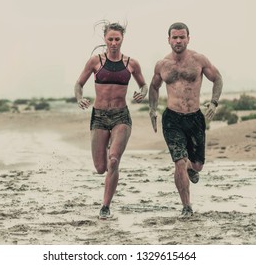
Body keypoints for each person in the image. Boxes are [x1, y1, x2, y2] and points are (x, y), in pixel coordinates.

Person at [149, 22, 223, 218]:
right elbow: (154, 87)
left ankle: (192, 167)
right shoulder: (162, 64)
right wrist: (152, 109)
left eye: (182, 37)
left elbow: (217, 78)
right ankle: (187, 206)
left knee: (197, 165)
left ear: (188, 39)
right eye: (175, 37)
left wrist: (214, 103)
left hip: (195, 118)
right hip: (172, 119)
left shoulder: (198, 60)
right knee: (179, 161)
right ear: (169, 40)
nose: (178, 40)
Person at [74, 22, 148, 219]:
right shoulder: (95, 61)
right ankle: (109, 160)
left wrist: (142, 93)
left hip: (121, 116)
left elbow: (144, 85)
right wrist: (79, 98)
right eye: (110, 39)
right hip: (99, 116)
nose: (114, 43)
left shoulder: (131, 64)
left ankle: (105, 207)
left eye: (117, 39)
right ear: (105, 40)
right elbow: (79, 84)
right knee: (100, 168)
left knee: (114, 160)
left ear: (122, 39)